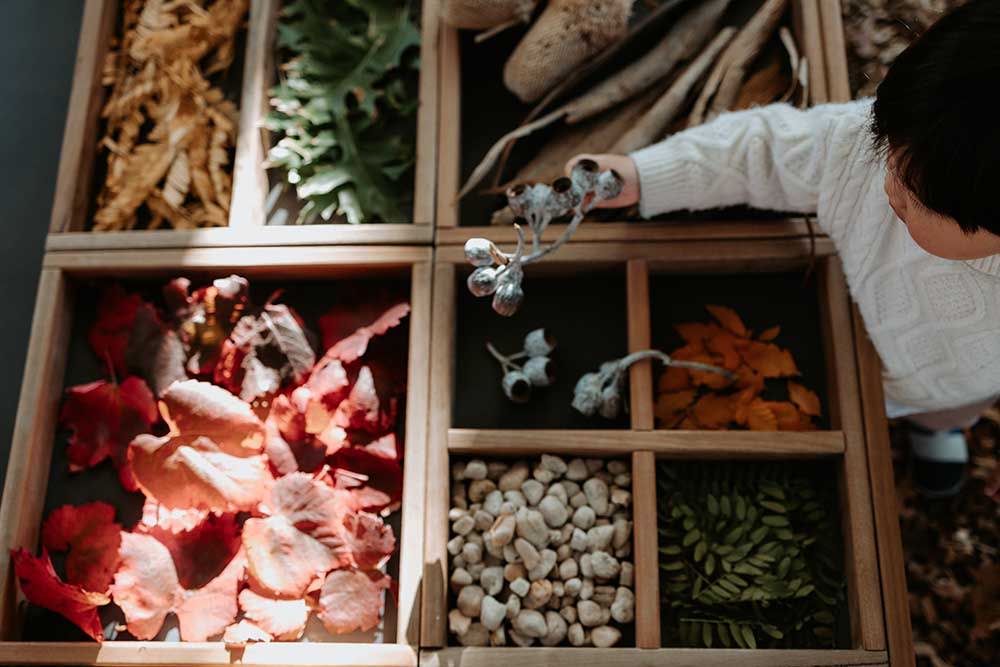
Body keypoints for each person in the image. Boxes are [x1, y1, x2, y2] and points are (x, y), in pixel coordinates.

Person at [568, 0, 1000, 497]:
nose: (889, 189)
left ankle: (936, 429)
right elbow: (763, 150)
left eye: (916, 197)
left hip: (955, 380)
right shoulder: (886, 148)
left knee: (946, 409)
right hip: (856, 321)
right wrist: (643, 176)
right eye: (889, 154)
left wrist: (940, 406)